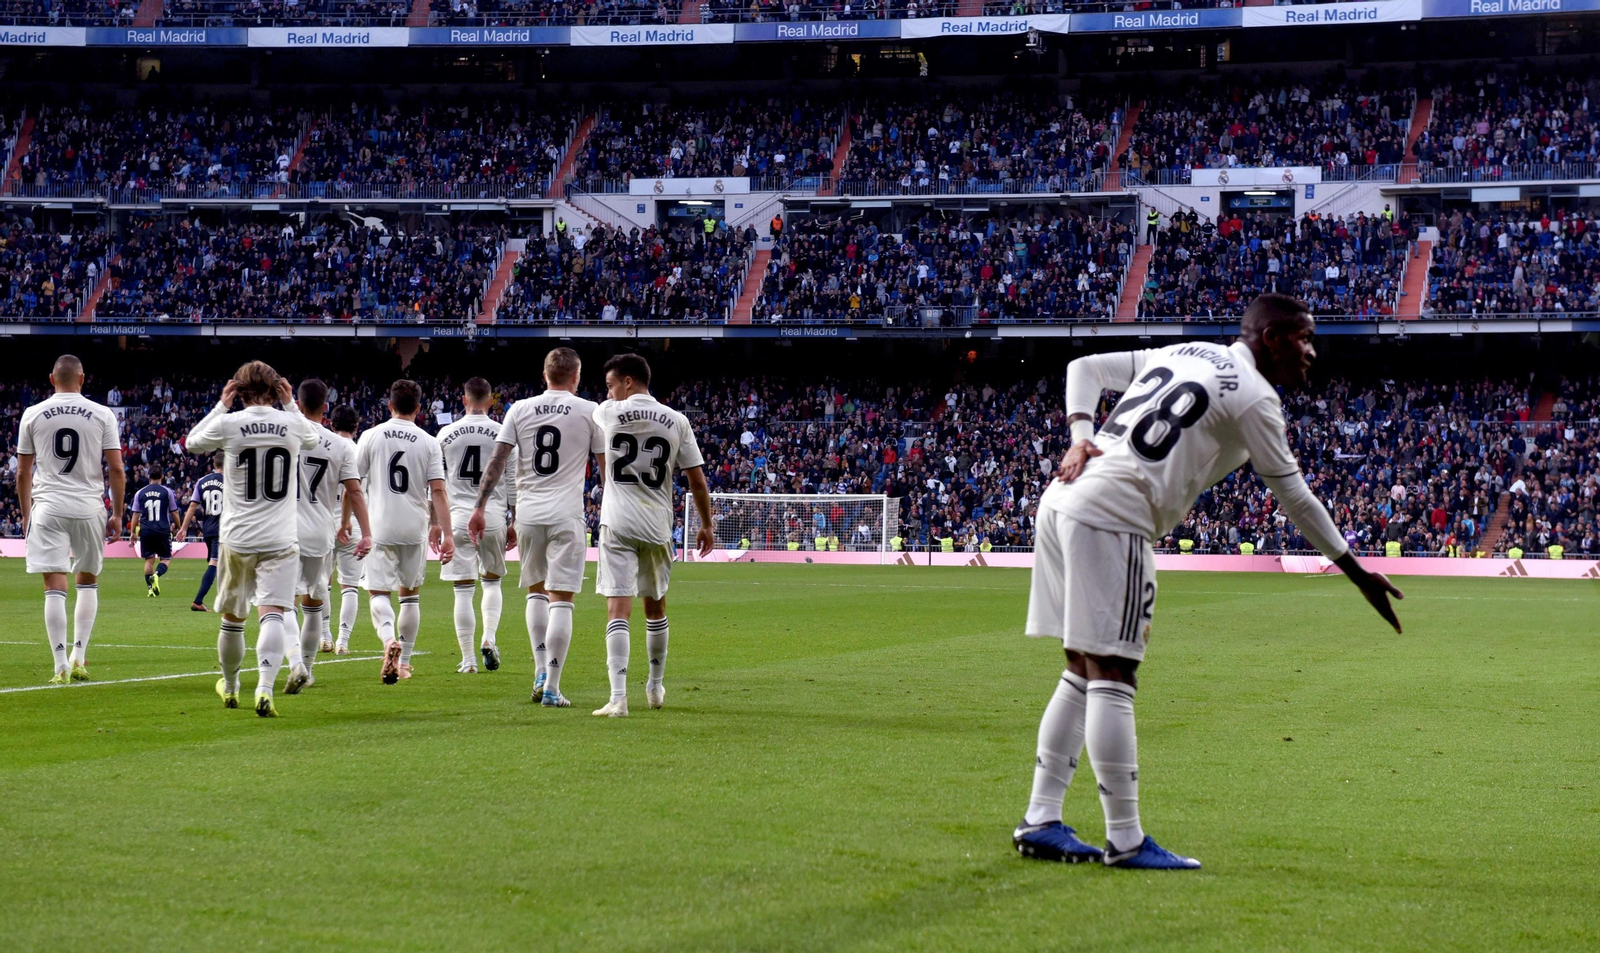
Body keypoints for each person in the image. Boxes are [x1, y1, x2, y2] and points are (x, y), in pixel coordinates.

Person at [1013, 293, 1403, 870]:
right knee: (1114, 672)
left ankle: (1041, 819)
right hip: (1116, 510)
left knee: (1082, 667)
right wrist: (1356, 572)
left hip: (1066, 497)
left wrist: (1079, 434)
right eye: (1304, 338)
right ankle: (1124, 841)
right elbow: (1293, 496)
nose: (1311, 352)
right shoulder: (1254, 397)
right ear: (1271, 337)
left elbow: (1084, 368)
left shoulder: (1188, 350)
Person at [185, 361, 321, 717]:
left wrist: (221, 405)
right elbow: (315, 439)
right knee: (274, 616)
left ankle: (231, 687)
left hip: (238, 537)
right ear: (277, 389)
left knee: (232, 620)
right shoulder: (292, 422)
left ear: (239, 391)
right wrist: (291, 404)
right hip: (279, 537)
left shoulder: (230, 423)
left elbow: (192, 442)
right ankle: (264, 689)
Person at [469, 348, 603, 706]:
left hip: (528, 514)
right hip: (566, 513)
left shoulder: (520, 409)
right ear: (576, 376)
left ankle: (539, 671)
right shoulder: (591, 411)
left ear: (545, 375)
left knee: (536, 593)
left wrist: (480, 507)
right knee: (562, 599)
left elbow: (497, 460)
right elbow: (606, 468)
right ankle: (553, 687)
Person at [589, 353, 715, 718]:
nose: (609, 393)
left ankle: (618, 698)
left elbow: (601, 413)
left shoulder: (609, 412)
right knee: (655, 606)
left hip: (618, 522)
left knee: (618, 608)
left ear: (628, 381)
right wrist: (705, 525)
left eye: (612, 385)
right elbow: (697, 480)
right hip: (658, 523)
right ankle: (655, 686)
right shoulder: (678, 420)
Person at [17, 354, 125, 684]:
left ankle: (60, 664)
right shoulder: (103, 413)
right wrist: (118, 513)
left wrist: (26, 514)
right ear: (82, 379)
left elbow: (23, 472)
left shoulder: (32, 414)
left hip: (49, 506)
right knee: (88, 580)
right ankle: (80, 655)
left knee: (54, 585)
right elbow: (117, 469)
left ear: (52, 379)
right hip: (88, 507)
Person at [356, 379, 454, 685]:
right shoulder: (428, 441)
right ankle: (405, 662)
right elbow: (438, 490)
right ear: (419, 408)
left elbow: (354, 484)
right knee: (410, 597)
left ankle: (388, 641)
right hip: (414, 526)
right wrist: (445, 532)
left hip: (379, 524)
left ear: (389, 406)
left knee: (377, 591)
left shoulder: (370, 436)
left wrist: (349, 522)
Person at [286, 379, 373, 694]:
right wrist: (364, 530)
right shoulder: (343, 447)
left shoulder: (286, 435)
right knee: (319, 598)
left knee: (284, 605)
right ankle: (311, 665)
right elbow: (356, 491)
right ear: (326, 407)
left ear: (298, 401)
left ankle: (300, 657)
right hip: (325, 529)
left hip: (286, 530)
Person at [439, 378, 516, 675]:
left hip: (458, 516)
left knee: (462, 590)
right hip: (493, 515)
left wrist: (437, 523)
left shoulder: (445, 434)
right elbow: (512, 480)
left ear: (463, 399)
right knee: (492, 582)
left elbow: (438, 484)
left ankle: (468, 660)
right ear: (491, 400)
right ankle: (490, 637)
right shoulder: (503, 433)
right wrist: (515, 519)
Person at [327, 405, 365, 653]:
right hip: (353, 526)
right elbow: (356, 490)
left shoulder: (324, 447)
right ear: (356, 426)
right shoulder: (360, 452)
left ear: (331, 424)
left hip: (324, 522)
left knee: (321, 584)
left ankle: (324, 637)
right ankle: (343, 640)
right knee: (350, 585)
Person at [175, 453, 225, 611]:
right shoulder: (232, 481)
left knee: (220, 564)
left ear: (214, 464)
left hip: (208, 529)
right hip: (223, 530)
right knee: (215, 564)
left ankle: (223, 598)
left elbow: (192, 506)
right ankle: (198, 601)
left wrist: (183, 528)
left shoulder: (202, 481)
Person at [130, 466, 180, 597]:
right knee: (166, 559)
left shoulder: (140, 493)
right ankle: (156, 575)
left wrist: (133, 532)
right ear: (162, 477)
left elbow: (135, 514)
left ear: (149, 477)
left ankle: (150, 590)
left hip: (146, 530)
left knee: (149, 560)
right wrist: (180, 527)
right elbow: (174, 512)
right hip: (162, 529)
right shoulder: (167, 492)